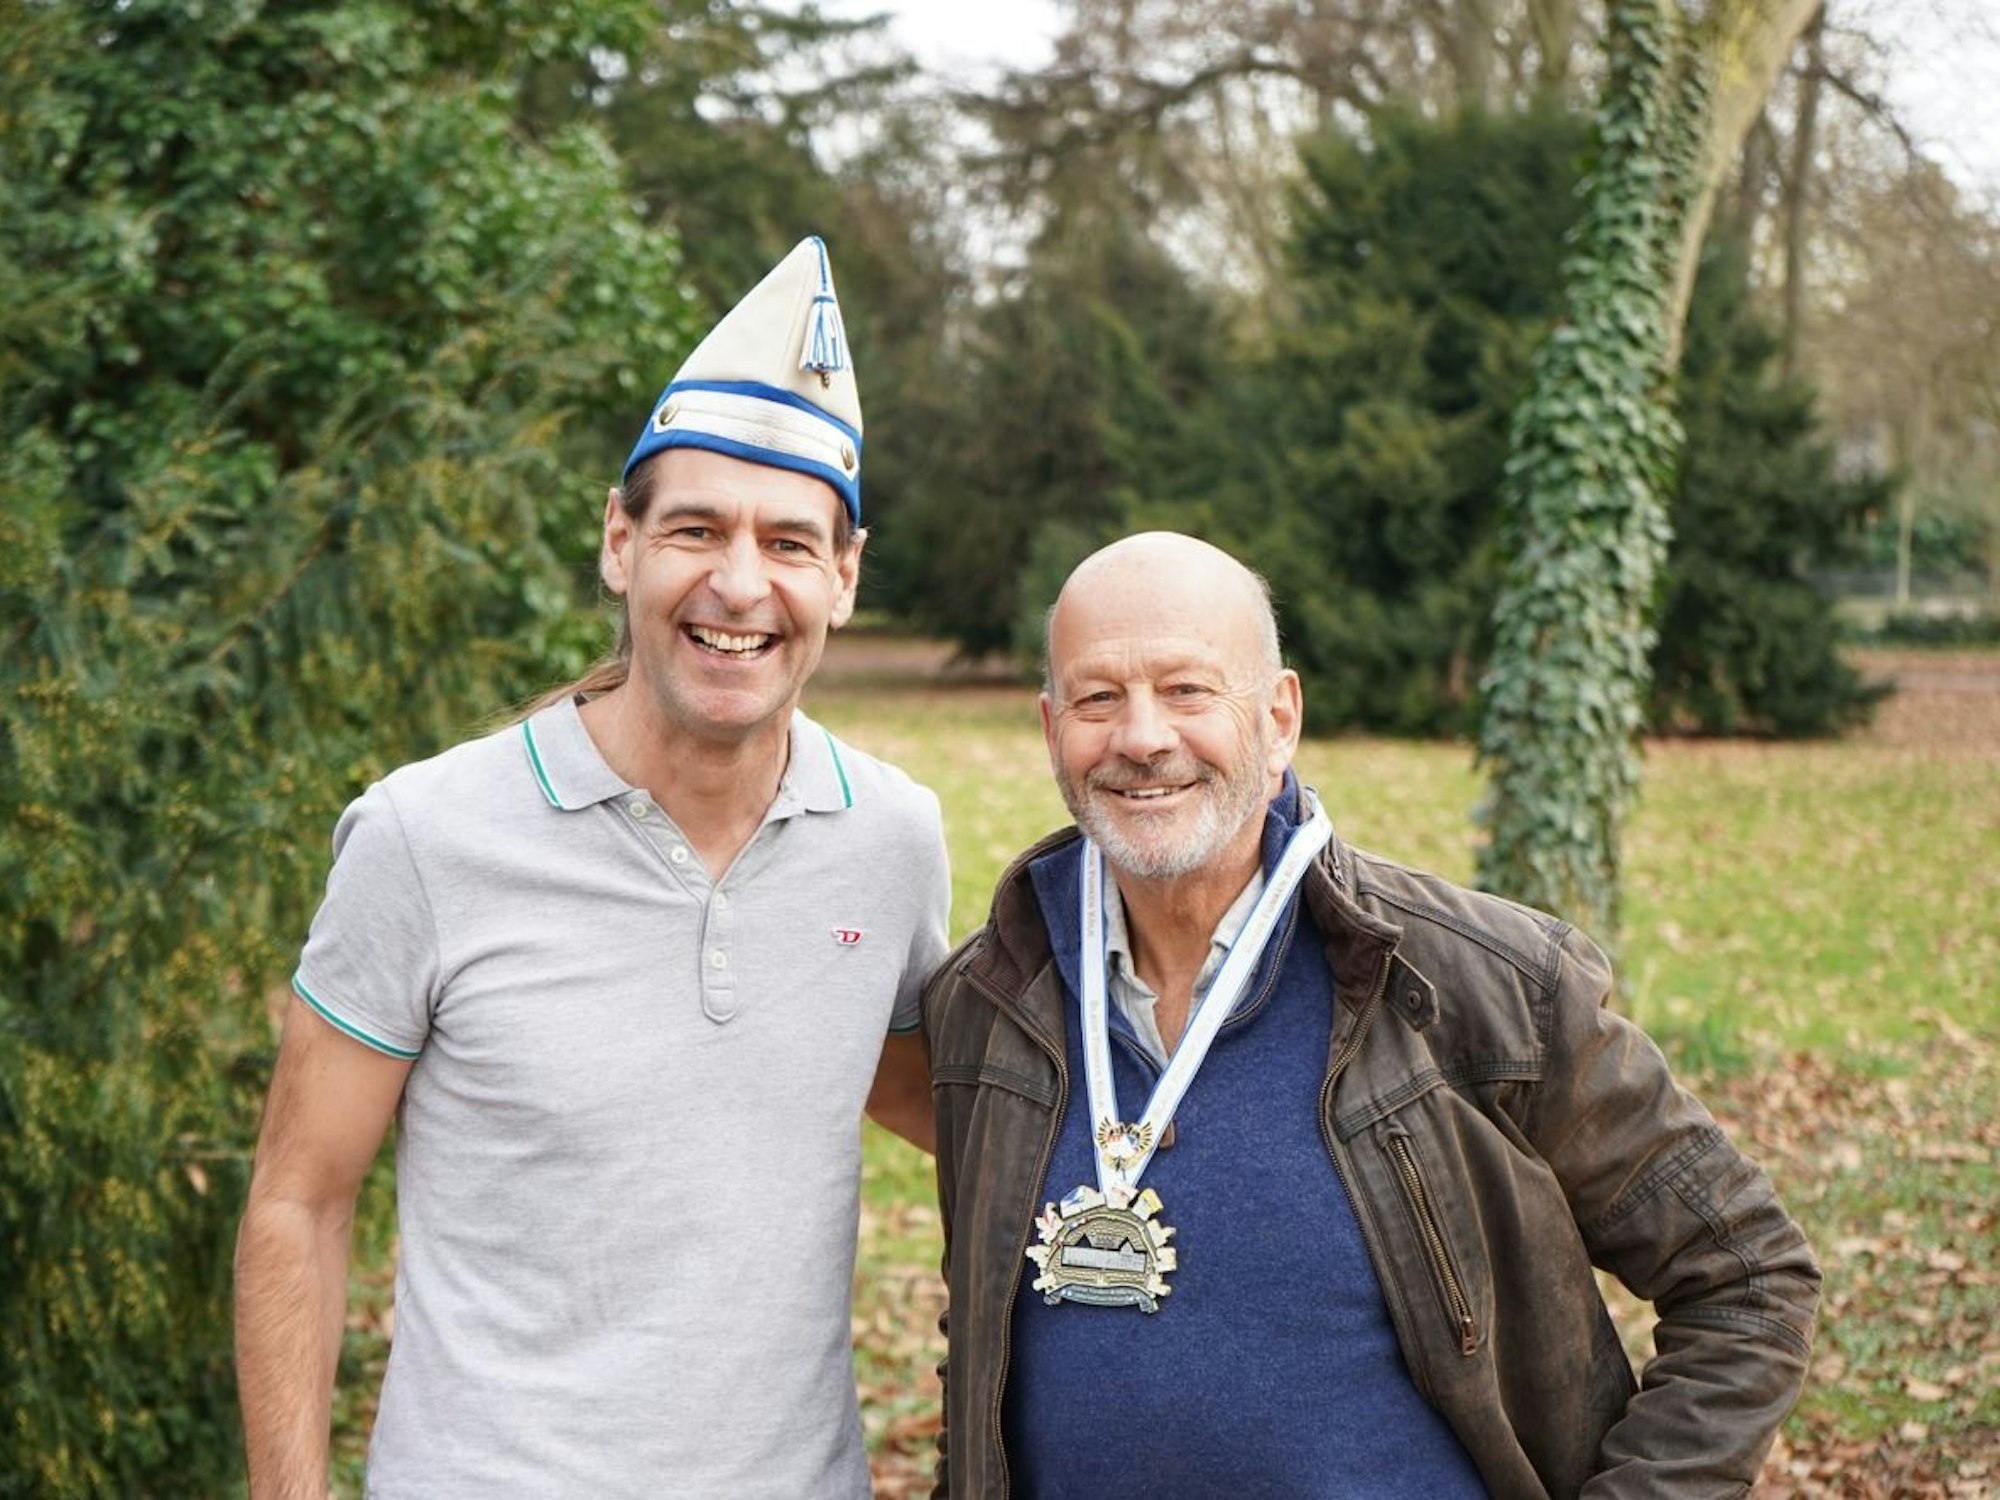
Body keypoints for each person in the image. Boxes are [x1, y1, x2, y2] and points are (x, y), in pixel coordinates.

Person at [234, 237, 949, 1498]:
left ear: (842, 575)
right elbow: (299, 1200)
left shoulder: (891, 839)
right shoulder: (425, 836)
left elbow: (940, 1100)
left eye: (790, 542)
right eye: (693, 529)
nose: (739, 582)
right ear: (619, 542)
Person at [922, 531, 1819, 1497]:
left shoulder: (1485, 987)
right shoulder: (989, 1007)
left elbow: (1748, 1275)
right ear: (1052, 726)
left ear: (1279, 719)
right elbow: (980, 1378)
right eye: (1100, 698)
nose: (1142, 737)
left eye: (1188, 690)